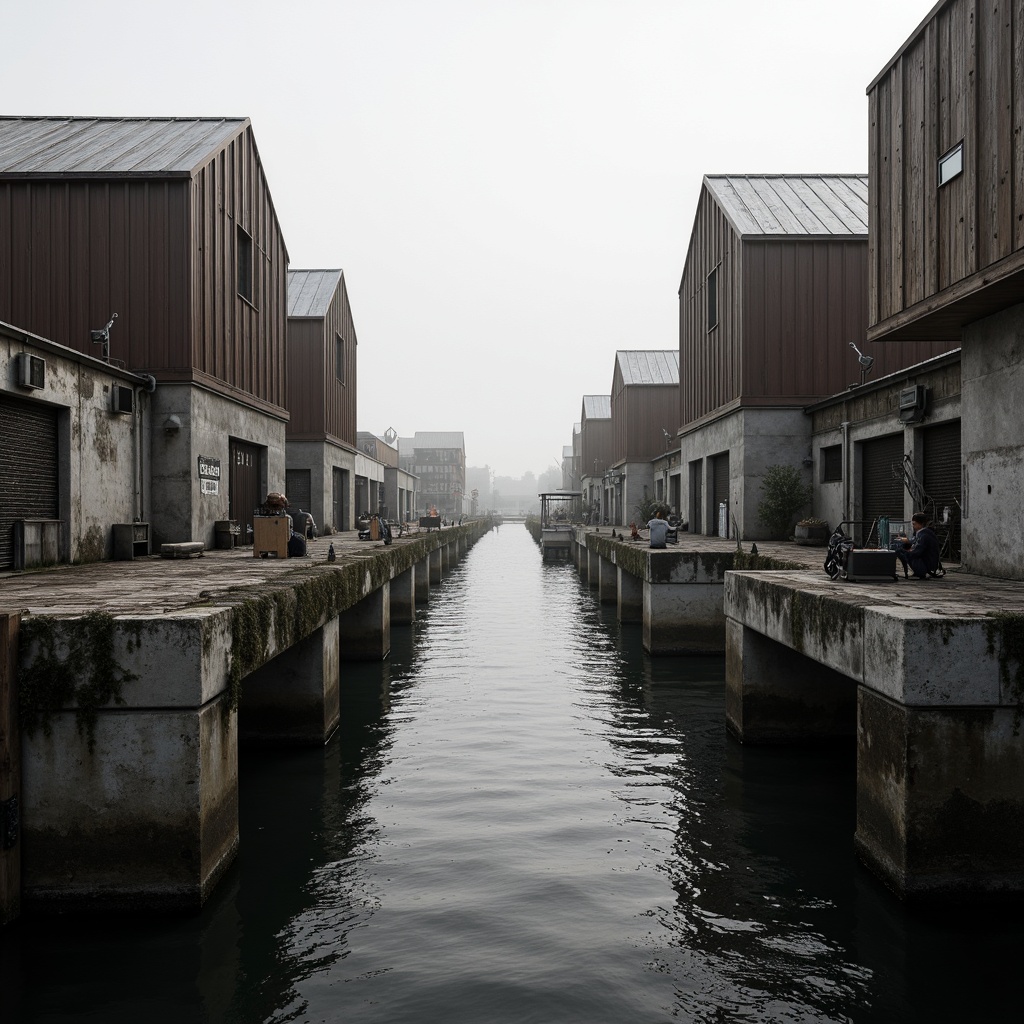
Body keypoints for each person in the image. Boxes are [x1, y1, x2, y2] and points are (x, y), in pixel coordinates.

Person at [895, 513, 940, 579]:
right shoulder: (926, 533)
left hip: (926, 564)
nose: (913, 526)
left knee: (899, 551)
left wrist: (907, 552)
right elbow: (914, 541)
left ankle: (916, 572)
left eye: (914, 524)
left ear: (921, 524)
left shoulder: (924, 535)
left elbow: (917, 552)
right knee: (903, 547)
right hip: (928, 563)